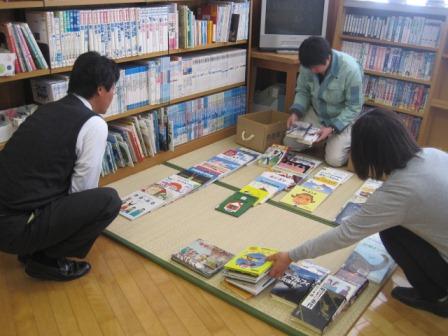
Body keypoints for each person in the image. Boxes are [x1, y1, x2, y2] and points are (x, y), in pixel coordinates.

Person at [269, 108, 448, 318]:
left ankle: (435, 296)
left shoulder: (399, 192)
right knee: (396, 226)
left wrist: (291, 256)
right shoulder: (433, 154)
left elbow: (345, 234)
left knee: (389, 231)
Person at [0, 51, 122, 281]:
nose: (113, 94)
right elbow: (81, 191)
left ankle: (32, 247)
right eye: (113, 88)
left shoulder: (48, 109)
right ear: (100, 89)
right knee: (108, 200)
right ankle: (46, 259)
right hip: (15, 229)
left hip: (9, 215)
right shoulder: (94, 124)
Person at [284, 36, 363, 167]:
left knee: (334, 160)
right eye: (310, 68)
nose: (312, 71)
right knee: (290, 143)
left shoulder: (351, 69)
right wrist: (296, 113)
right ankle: (324, 140)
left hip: (340, 118)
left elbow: (354, 107)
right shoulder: (307, 65)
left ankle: (346, 138)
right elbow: (303, 91)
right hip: (317, 113)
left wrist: (332, 128)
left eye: (316, 67)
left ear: (328, 57)